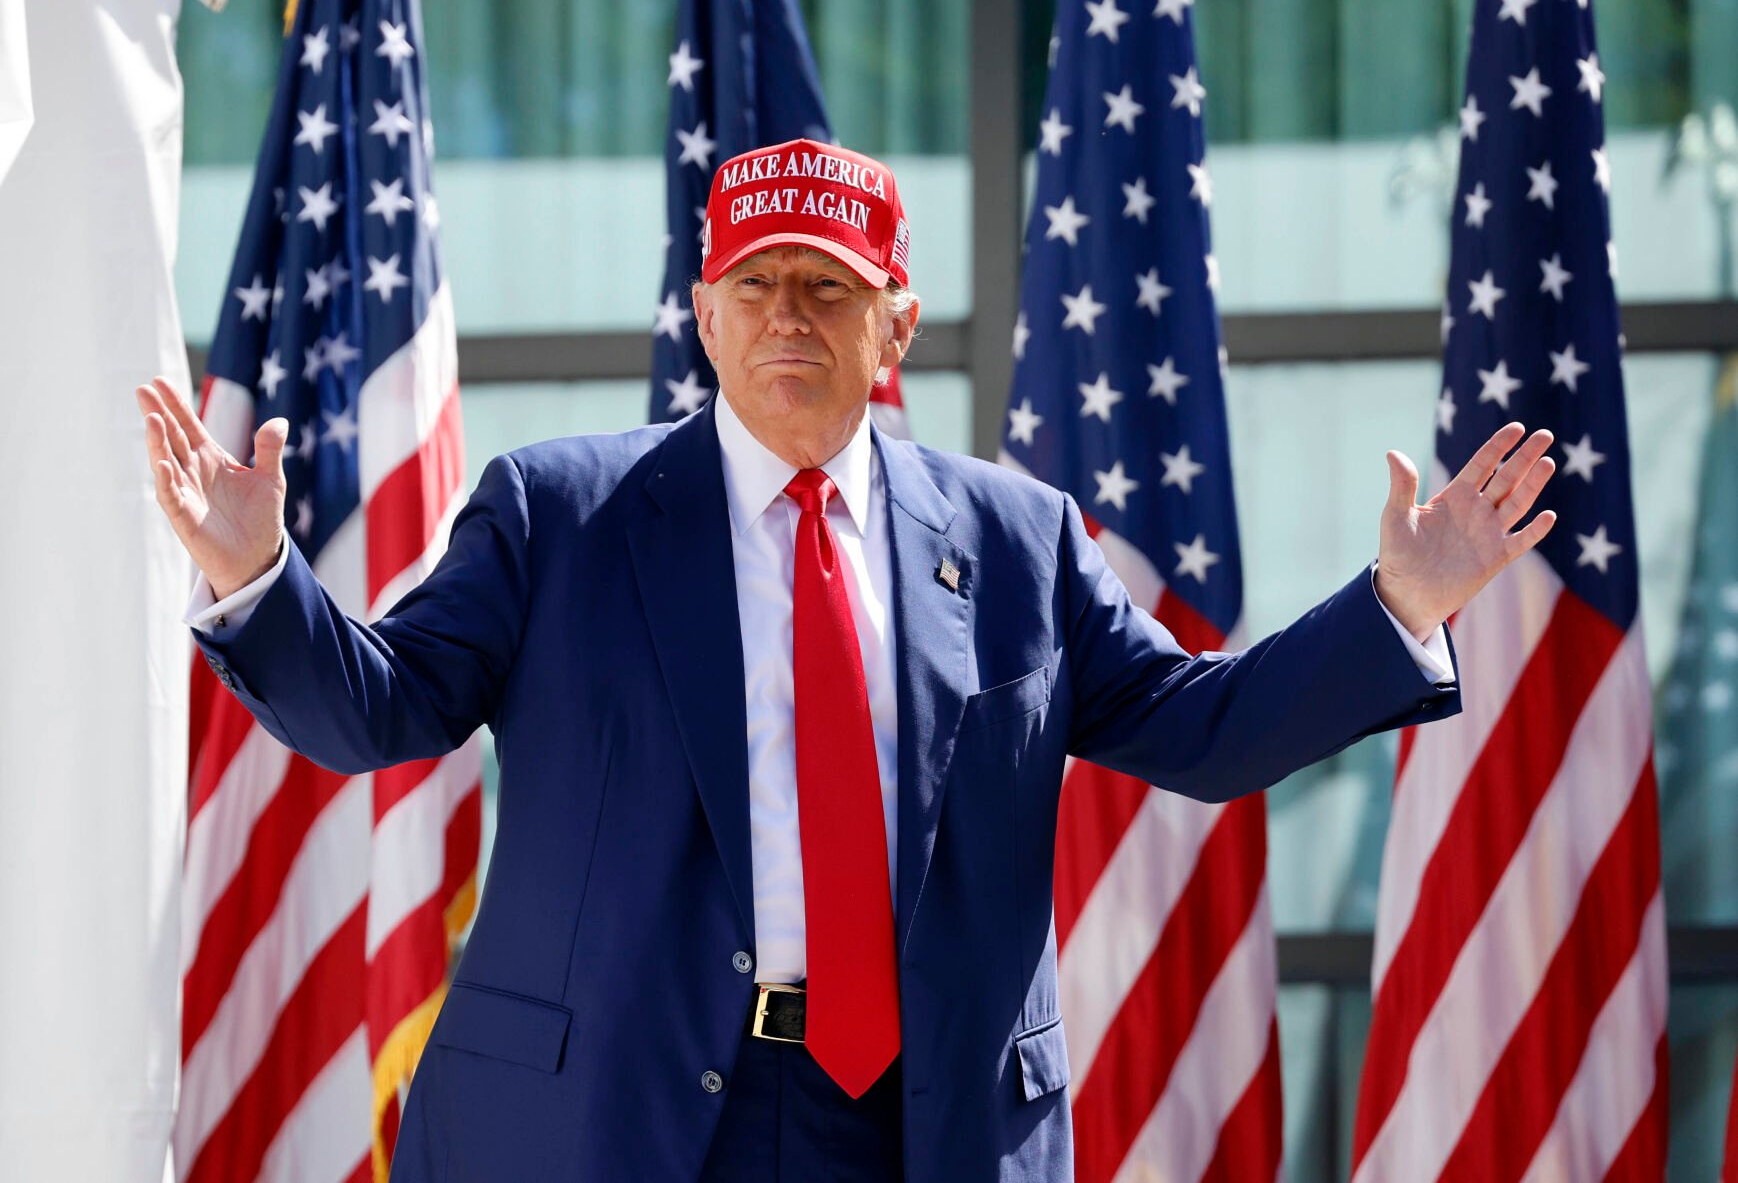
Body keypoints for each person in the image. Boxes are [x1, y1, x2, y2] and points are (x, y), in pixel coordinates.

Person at [136, 138, 1557, 1183]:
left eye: (827, 287)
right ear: (701, 313)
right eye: (753, 284)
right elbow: (378, 709)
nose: (787, 319)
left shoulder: (1016, 539)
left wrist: (1396, 601)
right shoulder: (558, 513)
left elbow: (1203, 729)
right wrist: (254, 577)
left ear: (896, 324)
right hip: (610, 1113)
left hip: (915, 1120)